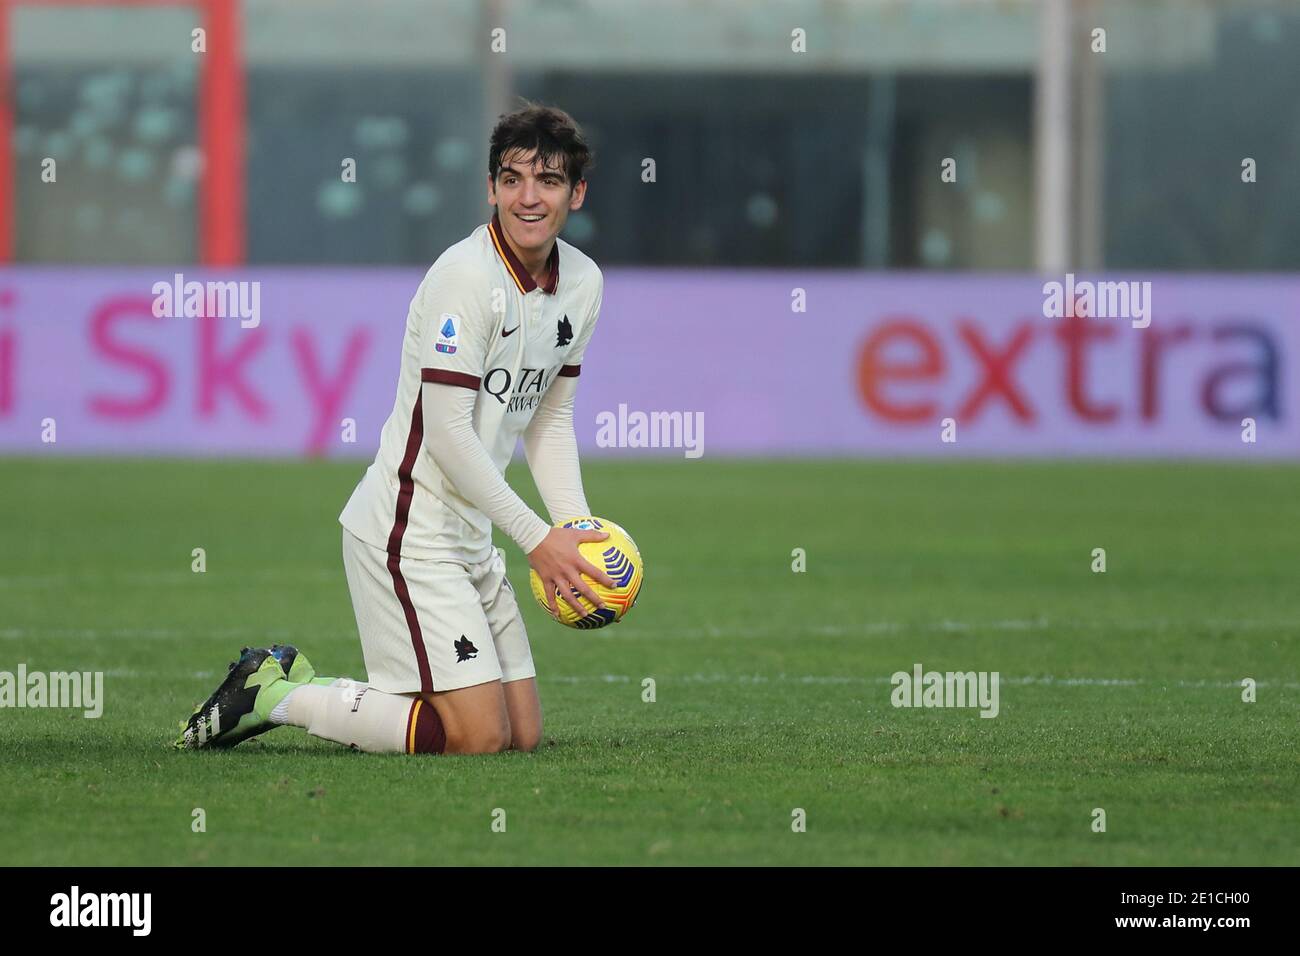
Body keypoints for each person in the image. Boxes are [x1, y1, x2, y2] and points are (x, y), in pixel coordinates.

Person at [177, 103, 613, 756]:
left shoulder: (582, 283)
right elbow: (445, 435)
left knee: (522, 735)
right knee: (477, 738)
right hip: (408, 532)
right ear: (490, 187)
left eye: (548, 181)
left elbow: (548, 416)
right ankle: (275, 694)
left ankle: (316, 691)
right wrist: (536, 539)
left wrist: (576, 533)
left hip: (471, 534)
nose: (529, 197)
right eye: (513, 178)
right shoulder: (464, 279)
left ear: (576, 192)